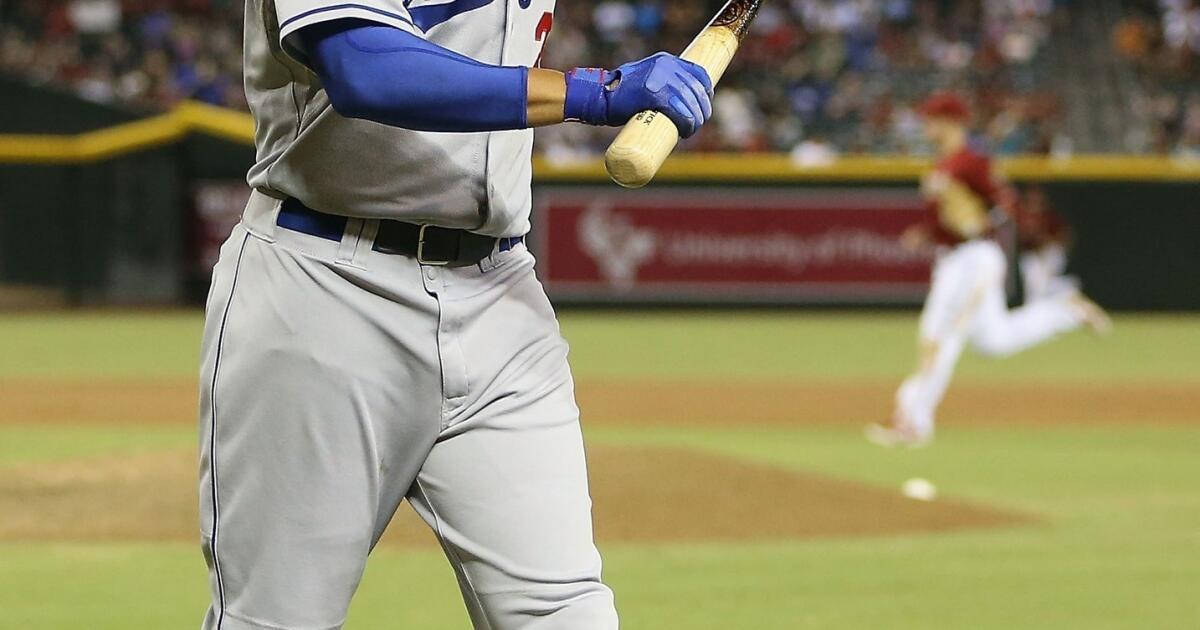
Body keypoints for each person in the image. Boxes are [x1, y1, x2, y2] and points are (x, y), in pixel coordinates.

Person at [198, 3, 714, 629]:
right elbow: (366, 68)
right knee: (278, 619)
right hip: (329, 283)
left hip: (500, 290)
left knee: (563, 612)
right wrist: (594, 91)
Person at [866, 92, 1110, 449]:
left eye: (932, 119)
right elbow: (949, 220)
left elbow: (1005, 201)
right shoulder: (943, 164)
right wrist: (927, 233)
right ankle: (1066, 311)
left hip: (975, 258)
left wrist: (986, 221)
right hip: (954, 258)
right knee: (993, 341)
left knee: (940, 334)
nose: (926, 125)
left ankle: (913, 421)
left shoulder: (971, 162)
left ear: (950, 122)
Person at [1017, 184, 1077, 300]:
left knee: (1044, 280)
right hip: (1031, 255)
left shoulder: (1049, 216)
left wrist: (1047, 241)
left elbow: (1066, 236)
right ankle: (1067, 288)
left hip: (1049, 254)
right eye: (1031, 197)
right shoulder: (1022, 215)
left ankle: (1065, 289)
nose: (1034, 199)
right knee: (1035, 284)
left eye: (1037, 197)